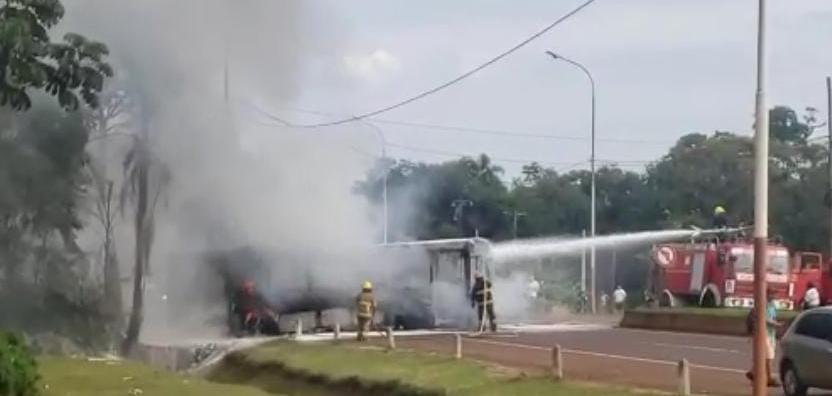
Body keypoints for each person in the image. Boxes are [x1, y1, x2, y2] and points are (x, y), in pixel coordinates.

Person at [745, 289, 783, 387]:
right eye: (773, 294)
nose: (775, 296)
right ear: (768, 294)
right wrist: (776, 324)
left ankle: (753, 374)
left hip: (770, 334)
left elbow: (772, 317)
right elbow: (764, 319)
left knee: (763, 357)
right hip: (763, 334)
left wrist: (775, 322)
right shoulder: (763, 304)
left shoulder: (772, 305)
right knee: (768, 357)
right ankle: (768, 377)